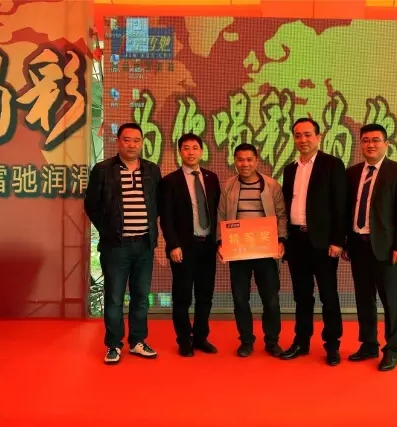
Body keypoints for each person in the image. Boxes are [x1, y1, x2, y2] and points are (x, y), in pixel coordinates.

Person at [84, 122, 162, 364]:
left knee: (141, 296)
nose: (131, 145)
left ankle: (137, 341)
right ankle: (113, 344)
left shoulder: (151, 170)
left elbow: (157, 203)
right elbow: (91, 205)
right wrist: (108, 230)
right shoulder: (103, 169)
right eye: (126, 140)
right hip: (116, 246)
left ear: (142, 143)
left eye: (136, 140)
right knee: (115, 298)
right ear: (118, 141)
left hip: (144, 245)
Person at [342, 123, 397, 372]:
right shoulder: (352, 173)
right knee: (364, 299)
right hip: (358, 246)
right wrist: (345, 242)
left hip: (387, 249)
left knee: (391, 300)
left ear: (386, 144)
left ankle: (392, 349)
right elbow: (346, 211)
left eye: (375, 140)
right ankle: (369, 344)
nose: (370, 144)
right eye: (365, 140)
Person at [279, 118, 347, 366]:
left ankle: (332, 345)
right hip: (297, 240)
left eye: (308, 134)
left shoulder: (332, 164)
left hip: (323, 243)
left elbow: (340, 205)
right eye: (298, 135)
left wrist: (338, 240)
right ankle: (301, 342)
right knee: (302, 295)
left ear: (319, 137)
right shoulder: (290, 169)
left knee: (328, 294)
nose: (303, 140)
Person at [217, 143, 286, 358]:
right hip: (238, 251)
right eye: (240, 159)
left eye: (249, 159)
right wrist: (220, 243)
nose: (244, 164)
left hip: (266, 250)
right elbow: (221, 216)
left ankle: (272, 341)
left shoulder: (272, 185)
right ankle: (246, 341)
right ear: (235, 161)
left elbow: (281, 215)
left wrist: (281, 240)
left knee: (271, 300)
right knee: (240, 299)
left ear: (256, 160)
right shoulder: (228, 186)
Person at [159, 133, 221, 357]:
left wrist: (220, 242)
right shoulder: (170, 181)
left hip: (208, 246)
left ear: (202, 151)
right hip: (183, 248)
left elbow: (218, 212)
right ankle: (184, 340)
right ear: (180, 152)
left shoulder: (211, 178)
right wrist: (173, 245)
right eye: (186, 148)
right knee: (182, 297)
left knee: (205, 296)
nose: (191, 152)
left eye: (195, 147)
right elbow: (166, 217)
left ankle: (201, 337)